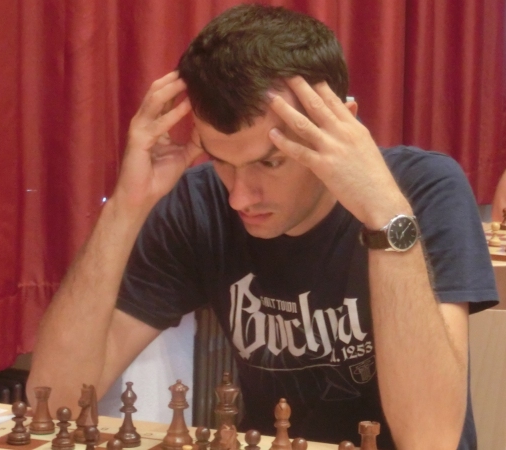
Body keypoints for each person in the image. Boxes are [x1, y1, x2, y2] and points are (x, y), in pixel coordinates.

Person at [27, 4, 497, 449]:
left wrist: (384, 214)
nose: (239, 197)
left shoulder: (423, 188)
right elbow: (56, 399)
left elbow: (430, 439)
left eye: (270, 162)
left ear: (339, 127)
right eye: (221, 161)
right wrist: (125, 208)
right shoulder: (197, 204)